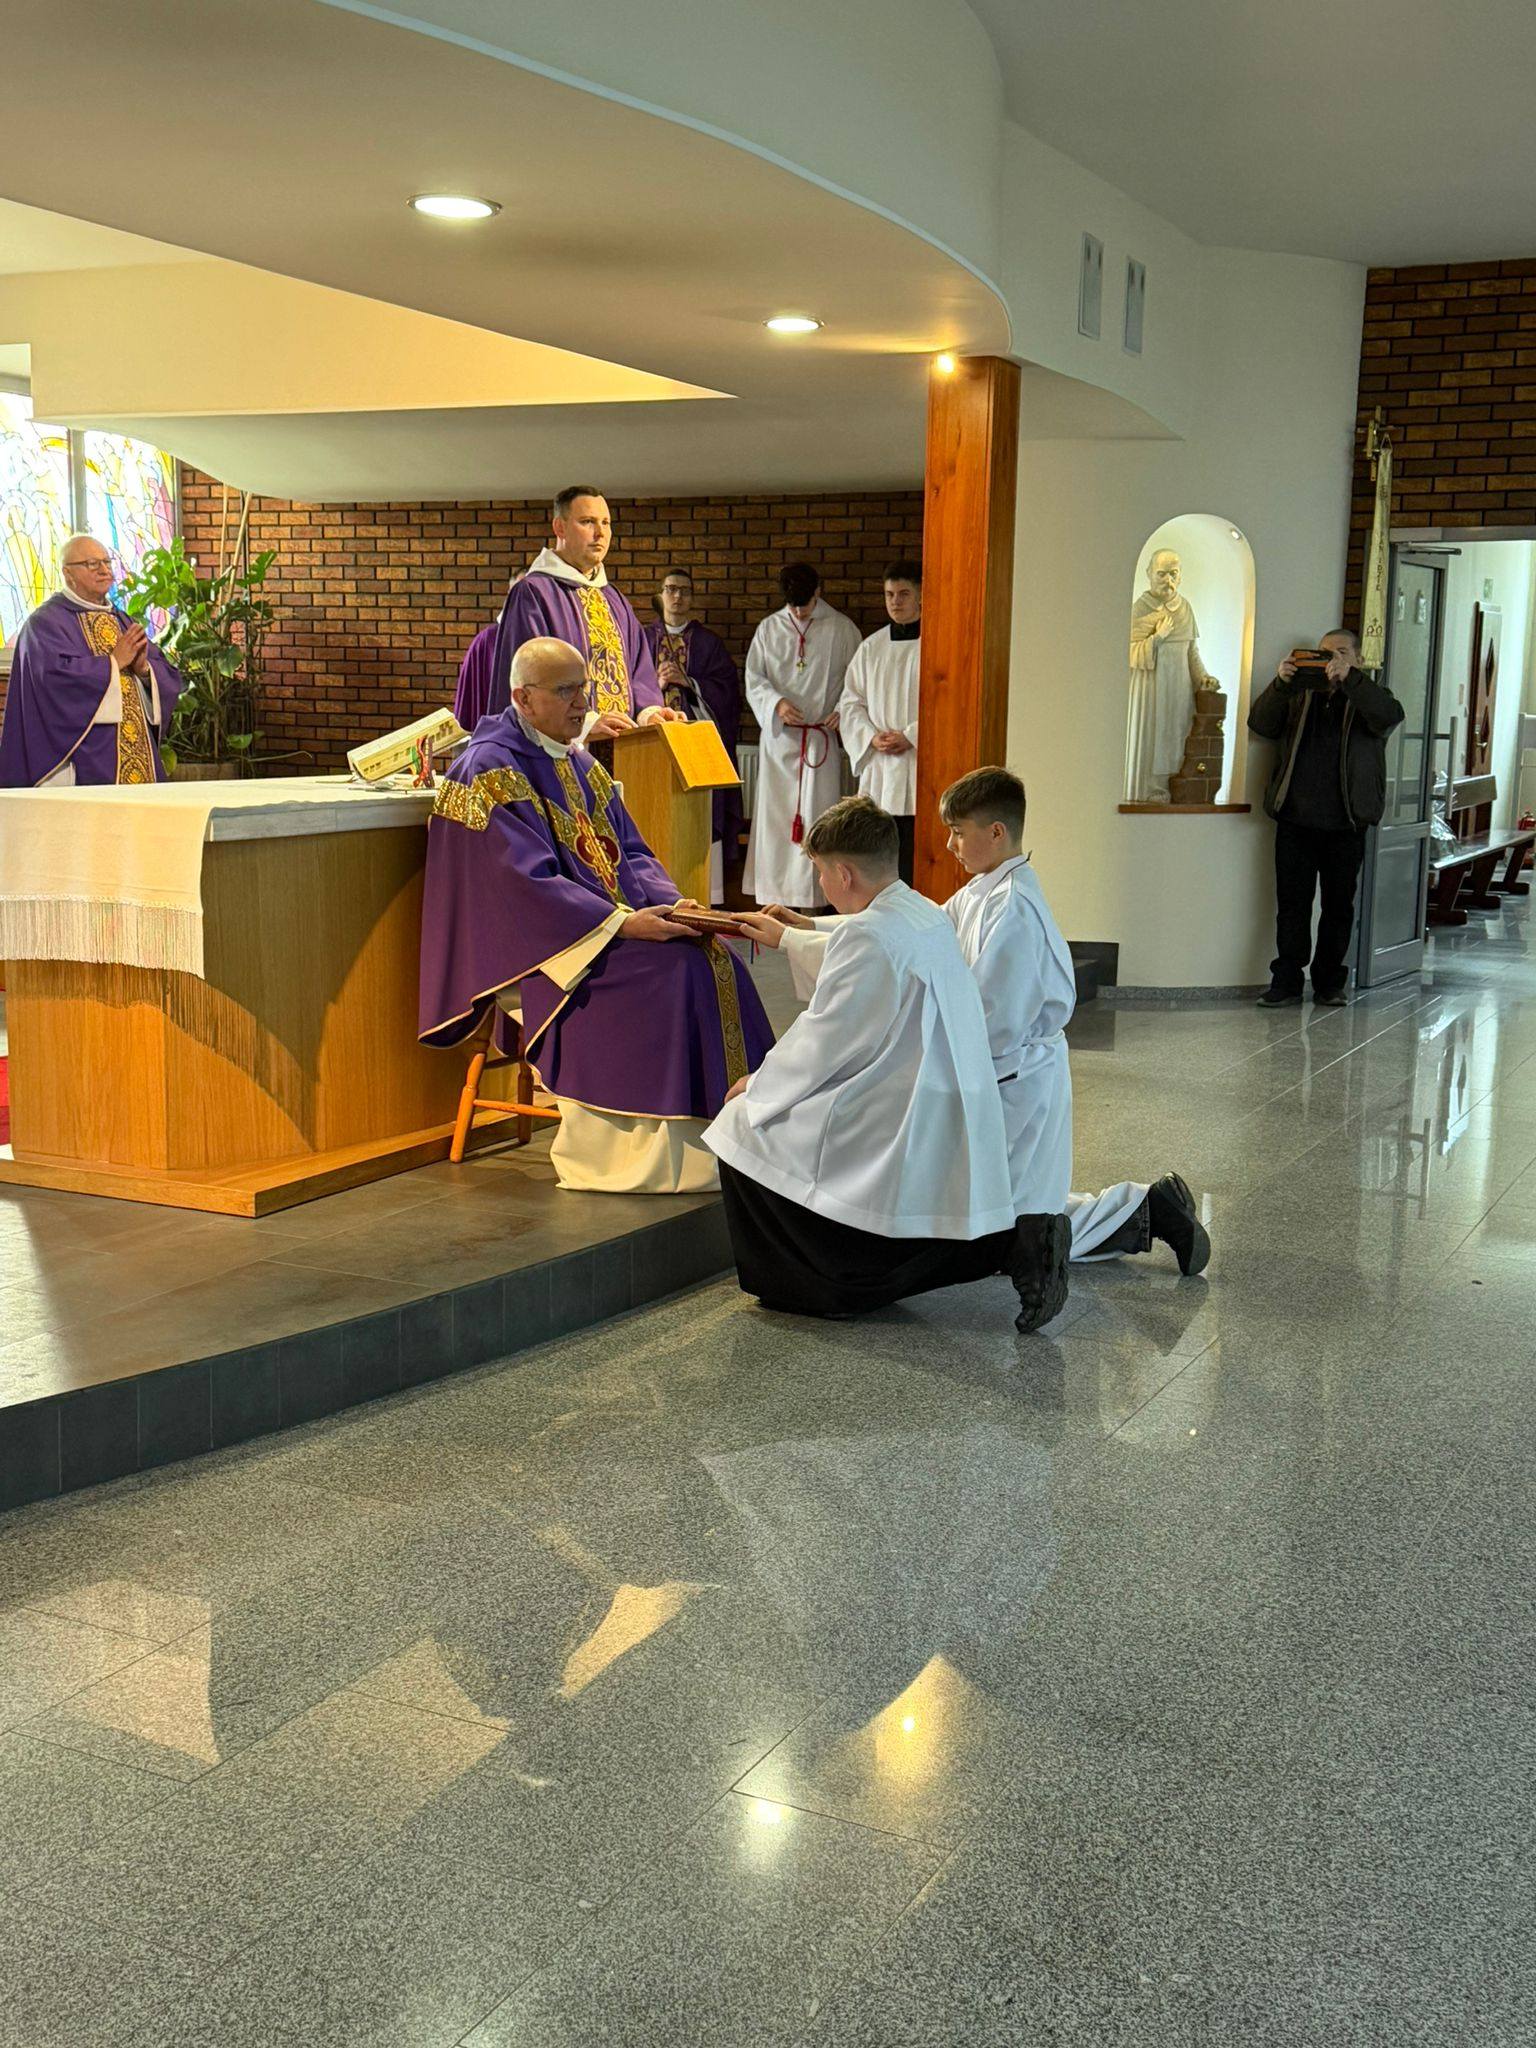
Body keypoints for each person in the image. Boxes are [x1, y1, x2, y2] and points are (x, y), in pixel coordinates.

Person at [759, 766, 1210, 1275]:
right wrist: (808, 927)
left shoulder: (1015, 909)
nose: (950, 844)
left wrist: (936, 1073)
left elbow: (996, 1019)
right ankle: (1147, 1205)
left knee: (1009, 1225)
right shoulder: (982, 890)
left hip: (1013, 1076)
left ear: (996, 832)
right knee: (1005, 1212)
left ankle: (1149, 1207)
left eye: (958, 832)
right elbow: (908, 932)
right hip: (995, 1068)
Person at [420, 637, 773, 1194]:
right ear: (523, 697)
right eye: (566, 691)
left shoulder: (580, 763)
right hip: (547, 951)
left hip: (603, 928)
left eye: (583, 689)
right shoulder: (485, 771)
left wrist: (672, 904)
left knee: (715, 954)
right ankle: (663, 1155)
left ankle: (734, 1134)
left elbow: (630, 853)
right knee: (679, 972)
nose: (582, 703)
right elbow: (518, 887)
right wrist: (623, 924)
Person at [707, 796, 1071, 1332]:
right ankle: (1015, 1241)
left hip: (904, 1099)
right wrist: (794, 932)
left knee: (743, 1124)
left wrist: (757, 1085)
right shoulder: (920, 909)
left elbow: (826, 1039)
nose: (821, 885)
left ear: (844, 874)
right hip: (945, 1086)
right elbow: (870, 944)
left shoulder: (870, 934)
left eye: (820, 873)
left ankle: (823, 1281)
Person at [1247, 626, 1405, 1007]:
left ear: (1358, 659)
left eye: (1340, 653)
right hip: (1296, 819)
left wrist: (1350, 680)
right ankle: (1286, 981)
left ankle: (1329, 983)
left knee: (1338, 907)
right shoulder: (1300, 693)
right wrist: (1281, 683)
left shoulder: (1370, 696)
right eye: (1324, 653)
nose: (1331, 660)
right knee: (1292, 906)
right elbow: (1261, 724)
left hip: (1346, 822)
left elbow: (1389, 716)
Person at [457, 487, 684, 735]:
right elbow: (531, 679)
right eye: (587, 522)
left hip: (623, 744)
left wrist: (649, 713)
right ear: (560, 528)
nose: (600, 533)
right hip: (563, 748)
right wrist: (585, 723)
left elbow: (639, 669)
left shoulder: (614, 598)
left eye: (606, 523)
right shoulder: (533, 593)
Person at [0, 534, 181, 788]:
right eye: (92, 564)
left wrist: (143, 669)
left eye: (106, 562)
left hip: (139, 751)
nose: (104, 570)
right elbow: (53, 682)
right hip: (85, 755)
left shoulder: (122, 620)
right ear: (68, 573)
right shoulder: (45, 623)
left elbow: (165, 672)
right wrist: (113, 663)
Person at [743, 562, 861, 910]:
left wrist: (842, 708)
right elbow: (754, 678)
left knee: (818, 818)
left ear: (818, 592)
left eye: (805, 605)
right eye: (792, 606)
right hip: (780, 741)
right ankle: (775, 899)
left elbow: (858, 680)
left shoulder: (841, 629)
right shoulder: (769, 628)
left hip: (819, 740)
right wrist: (776, 704)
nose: (798, 612)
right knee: (777, 823)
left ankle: (814, 900)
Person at [643, 566, 746, 894]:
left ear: (692, 598)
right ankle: (652, 888)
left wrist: (690, 683)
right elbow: (627, 687)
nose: (677, 596)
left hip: (695, 746)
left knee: (699, 814)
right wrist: (656, 685)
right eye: (671, 589)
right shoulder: (643, 639)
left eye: (684, 590)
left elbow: (728, 694)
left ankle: (704, 890)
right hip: (651, 745)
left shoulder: (708, 643)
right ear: (660, 595)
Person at [838, 560, 922, 881]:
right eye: (889, 595)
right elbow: (850, 702)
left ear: (921, 595)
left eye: (904, 594)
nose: (895, 602)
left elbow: (950, 703)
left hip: (918, 762)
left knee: (914, 858)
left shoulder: (938, 644)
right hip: (881, 764)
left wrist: (912, 735)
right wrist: (871, 737)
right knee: (879, 856)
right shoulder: (871, 647)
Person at [1125, 550, 1214, 802]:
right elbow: (1129, 652)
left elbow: (1192, 652)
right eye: (1161, 574)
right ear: (1149, 574)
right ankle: (1148, 791)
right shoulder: (1140, 609)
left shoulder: (1184, 608)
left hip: (1178, 688)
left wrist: (1204, 678)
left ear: (1180, 576)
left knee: (1175, 738)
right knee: (1151, 739)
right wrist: (1157, 638)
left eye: (1173, 574)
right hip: (1150, 689)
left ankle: (1173, 789)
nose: (1168, 580)